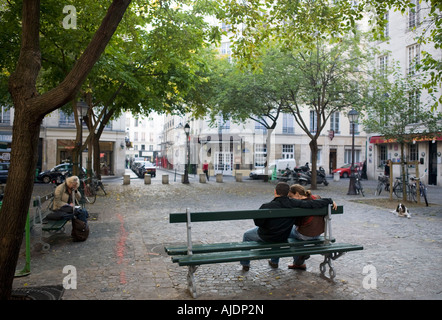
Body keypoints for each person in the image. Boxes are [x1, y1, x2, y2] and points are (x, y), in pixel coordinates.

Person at [240, 182, 336, 271]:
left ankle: (245, 264)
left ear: (275, 192)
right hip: (283, 235)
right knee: (280, 233)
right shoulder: (294, 203)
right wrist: (329, 200)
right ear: (287, 193)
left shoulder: (266, 206)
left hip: (266, 236)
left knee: (247, 235)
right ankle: (274, 261)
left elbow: (258, 223)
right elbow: (311, 203)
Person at [281, 184, 328, 270]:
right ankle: (300, 258)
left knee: (285, 231)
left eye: (291, 196)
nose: (290, 199)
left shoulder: (299, 205)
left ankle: (297, 261)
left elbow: (297, 223)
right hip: (318, 233)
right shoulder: (316, 198)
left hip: (305, 235)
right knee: (295, 233)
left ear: (297, 194)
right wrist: (332, 201)